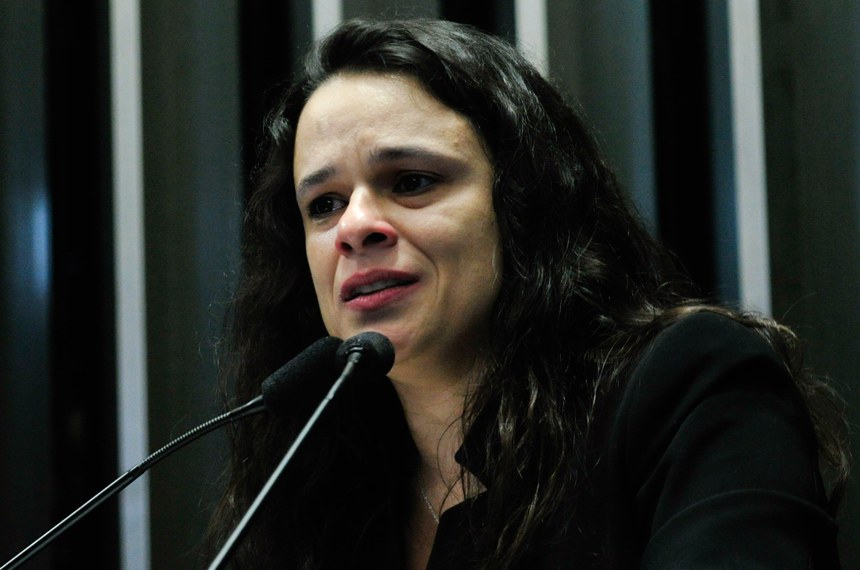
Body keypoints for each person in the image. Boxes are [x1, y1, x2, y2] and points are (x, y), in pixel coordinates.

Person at [203, 17, 849, 569]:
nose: (354, 226)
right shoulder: (314, 486)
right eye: (324, 204)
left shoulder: (689, 385)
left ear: (521, 204)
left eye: (412, 181)